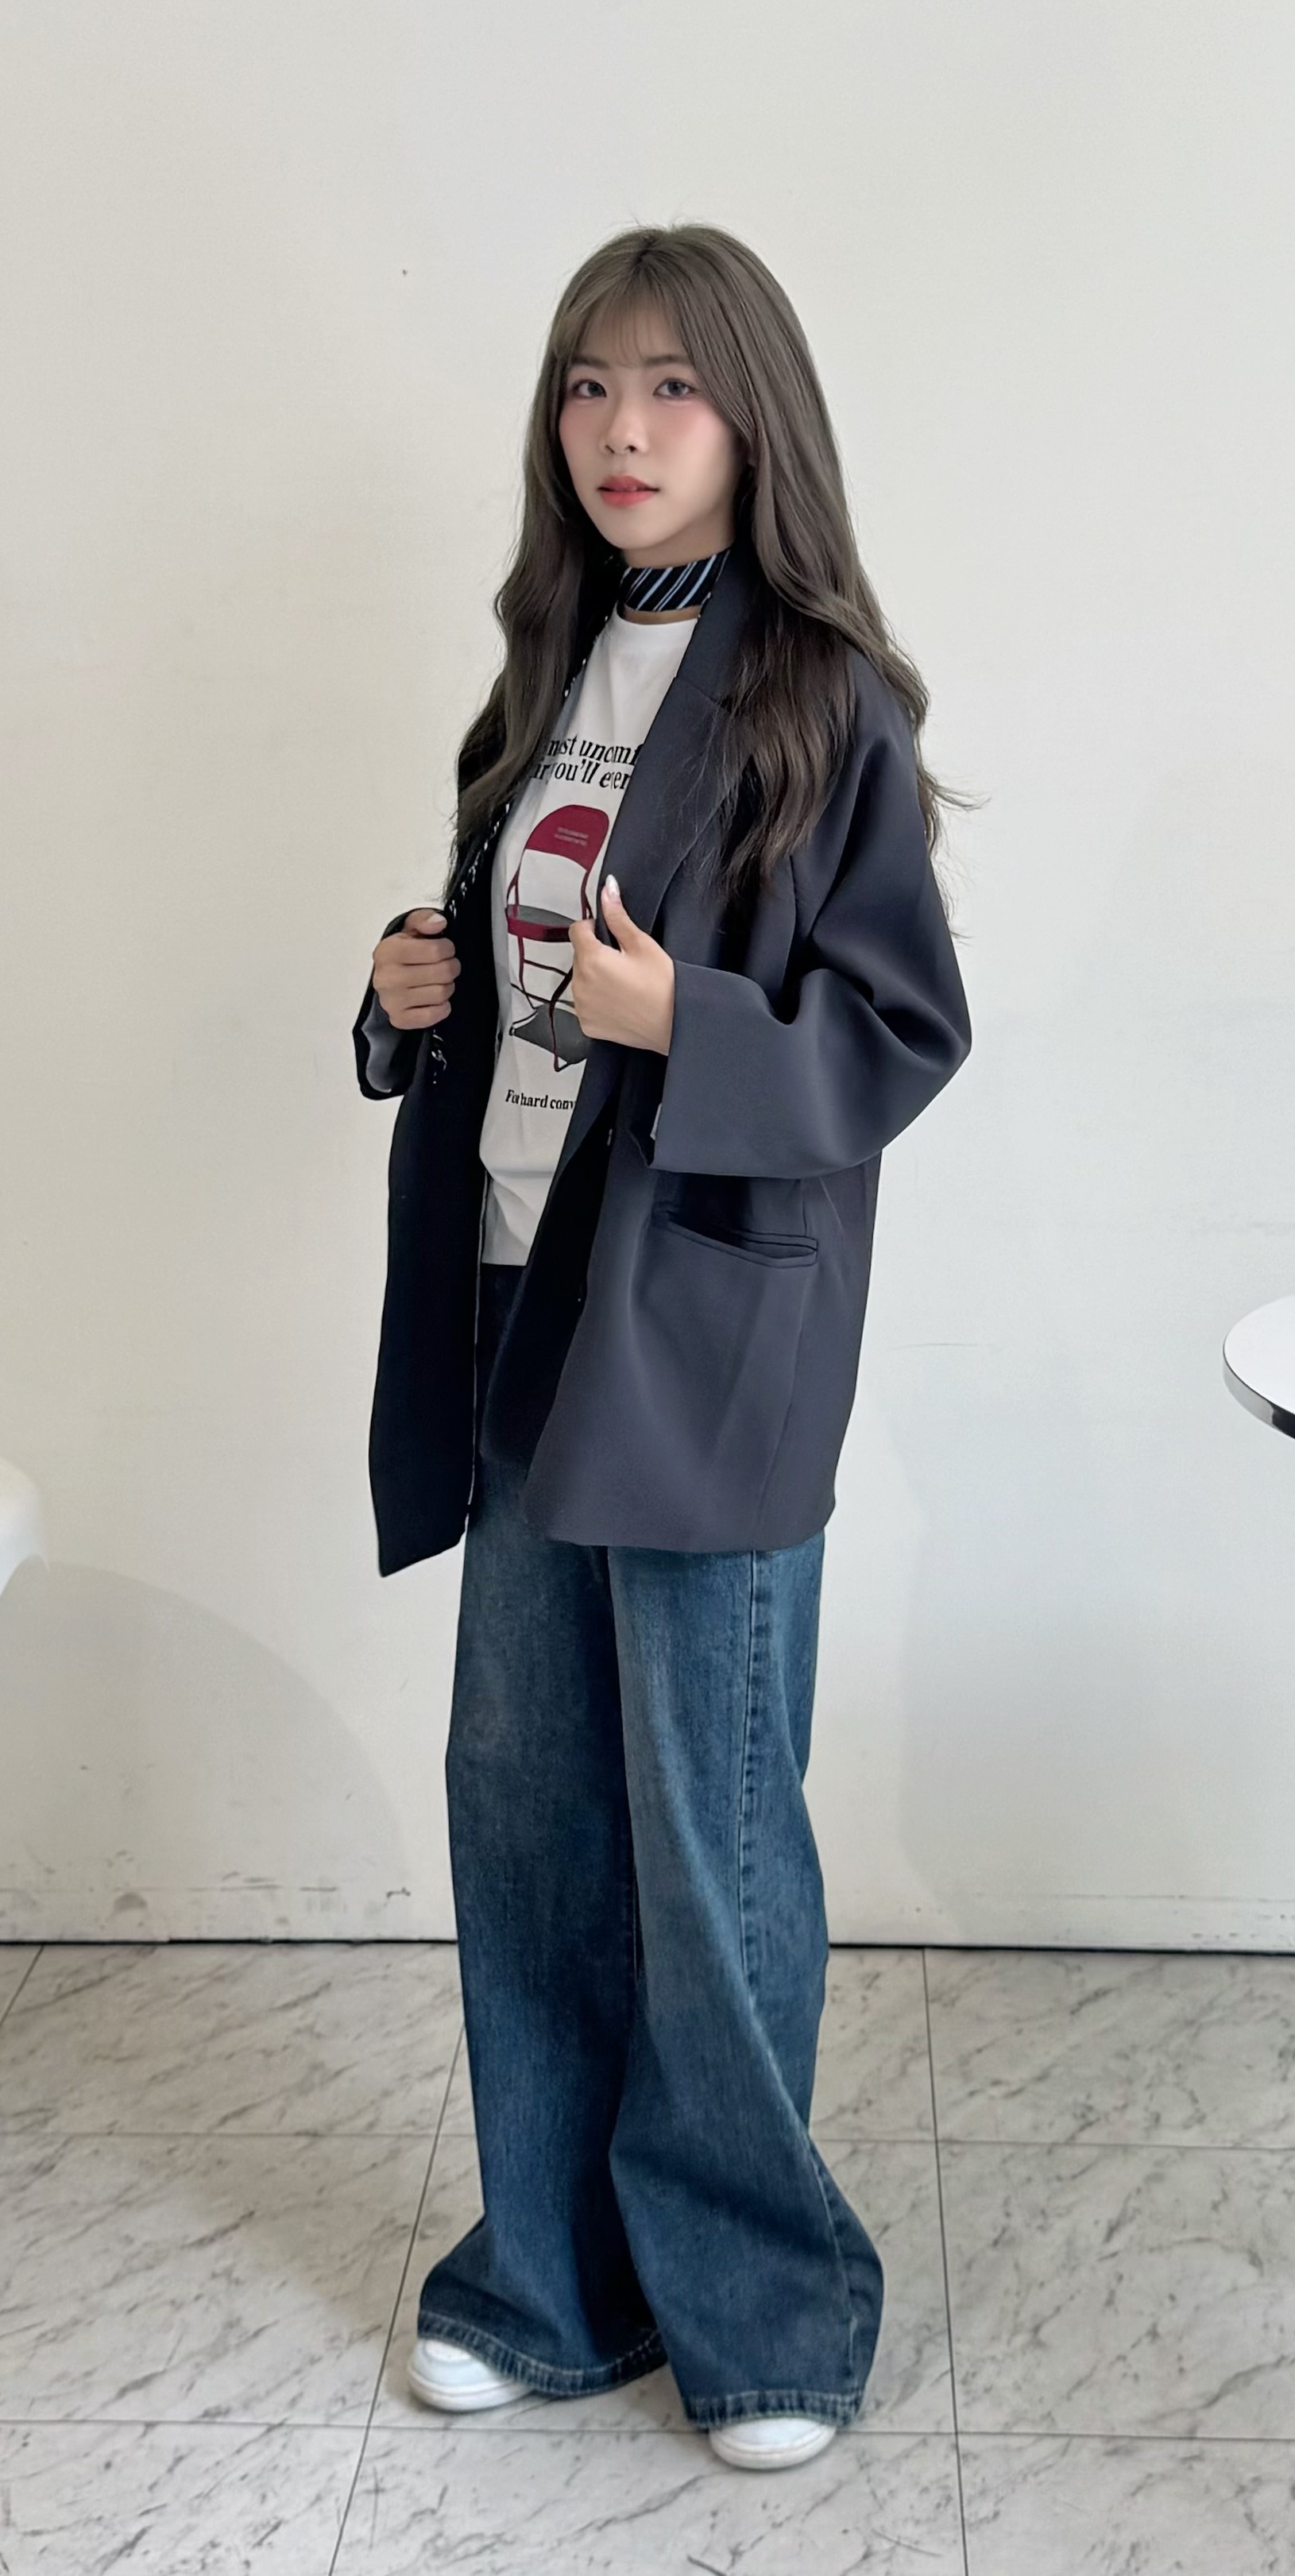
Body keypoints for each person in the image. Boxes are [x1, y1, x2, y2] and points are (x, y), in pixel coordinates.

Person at [351, 222, 972, 2470]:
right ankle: (550, 2275)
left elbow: (901, 1029)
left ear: (751, 417)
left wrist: (682, 1019)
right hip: (516, 1315)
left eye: (670, 387)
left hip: (696, 1337)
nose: (619, 431)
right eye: (585, 386)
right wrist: (402, 995)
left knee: (707, 1842)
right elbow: (509, 990)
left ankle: (765, 2313)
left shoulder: (822, 696)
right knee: (526, 1816)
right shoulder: (538, 679)